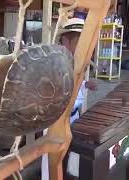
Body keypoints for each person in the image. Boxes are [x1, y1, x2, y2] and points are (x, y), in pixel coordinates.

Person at [41, 16, 97, 180]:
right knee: (51, 167)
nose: (84, 47)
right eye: (79, 42)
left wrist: (85, 84)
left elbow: (74, 83)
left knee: (71, 164)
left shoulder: (76, 61)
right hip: (56, 122)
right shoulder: (54, 63)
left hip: (74, 118)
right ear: (65, 41)